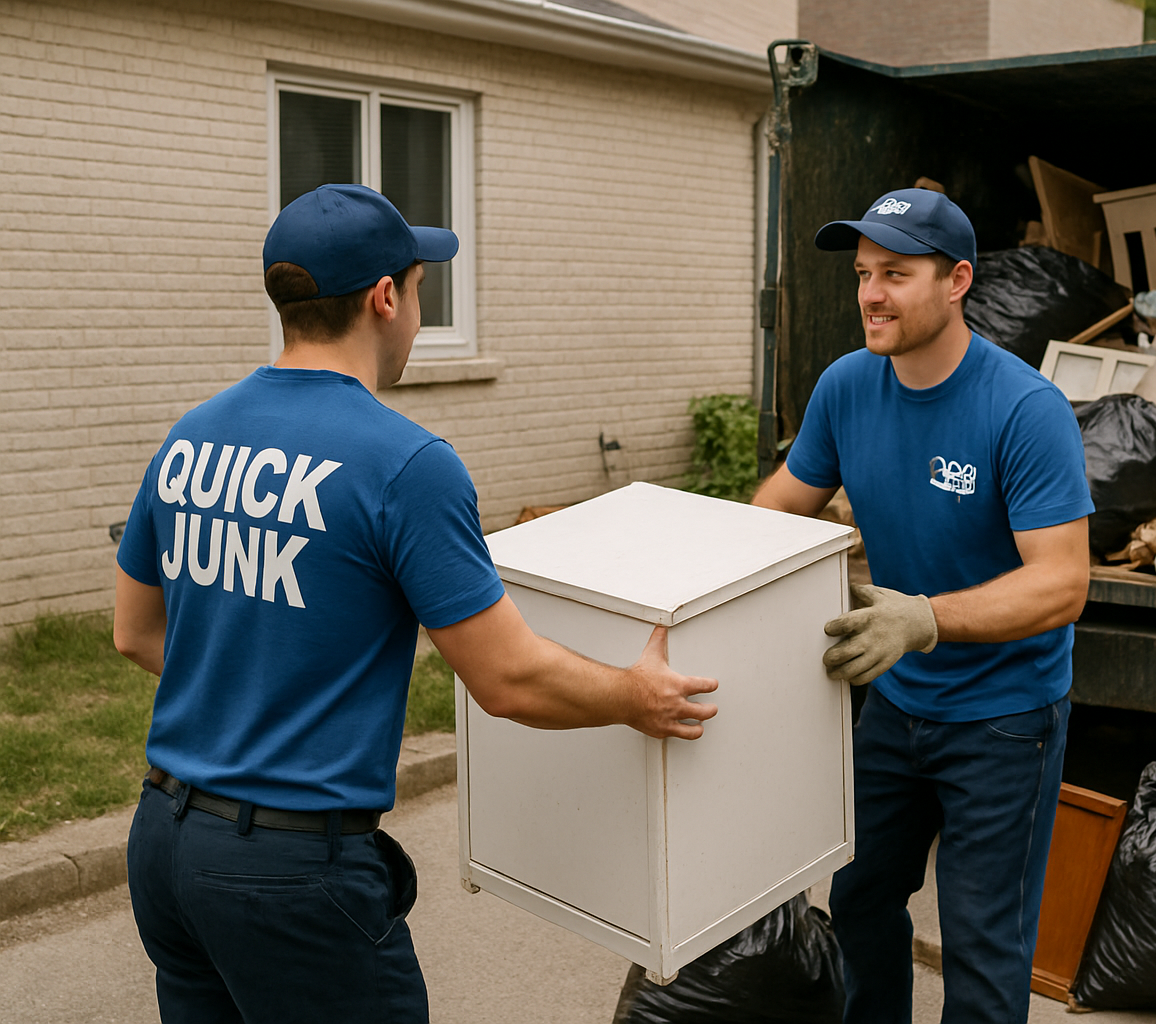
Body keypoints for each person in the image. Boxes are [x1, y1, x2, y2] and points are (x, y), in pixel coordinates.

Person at [112, 183, 718, 1024]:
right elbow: (507, 680)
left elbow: (134, 631)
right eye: (421, 290)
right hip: (290, 873)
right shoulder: (405, 464)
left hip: (164, 844)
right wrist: (635, 696)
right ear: (385, 298)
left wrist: (253, 687)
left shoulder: (191, 436)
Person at [752, 188, 1092, 1023]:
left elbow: (1062, 583)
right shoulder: (847, 387)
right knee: (860, 900)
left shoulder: (1023, 409)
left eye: (896, 274)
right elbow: (776, 509)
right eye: (863, 274)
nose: (871, 294)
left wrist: (926, 619)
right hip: (897, 705)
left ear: (956, 282)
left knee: (981, 942)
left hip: (1005, 717)